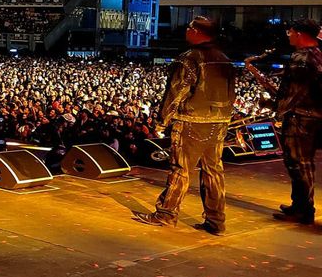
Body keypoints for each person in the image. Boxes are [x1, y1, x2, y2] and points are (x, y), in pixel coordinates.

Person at [135, 16, 236, 234]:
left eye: (190, 27)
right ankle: (216, 221)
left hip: (191, 122)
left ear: (198, 32)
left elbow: (176, 92)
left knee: (181, 170)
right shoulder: (225, 59)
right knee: (214, 171)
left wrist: (162, 121)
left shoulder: (189, 58)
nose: (186, 30)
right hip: (219, 123)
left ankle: (166, 214)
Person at [247, 18, 322, 224]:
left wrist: (271, 105)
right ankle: (299, 204)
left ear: (299, 33)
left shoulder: (301, 60)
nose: (288, 35)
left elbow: (292, 95)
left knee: (299, 164)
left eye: (290, 31)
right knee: (303, 164)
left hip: (300, 119)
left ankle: (304, 210)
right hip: (311, 117)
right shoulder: (317, 54)